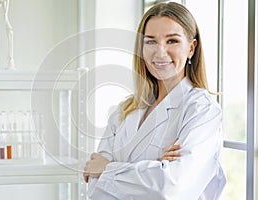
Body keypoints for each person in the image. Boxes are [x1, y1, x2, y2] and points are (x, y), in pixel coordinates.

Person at [83, 2, 226, 199]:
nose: (160, 52)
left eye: (172, 41)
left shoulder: (202, 110)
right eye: (151, 42)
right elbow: (94, 185)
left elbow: (172, 188)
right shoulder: (125, 109)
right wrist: (155, 167)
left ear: (191, 48)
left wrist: (107, 169)